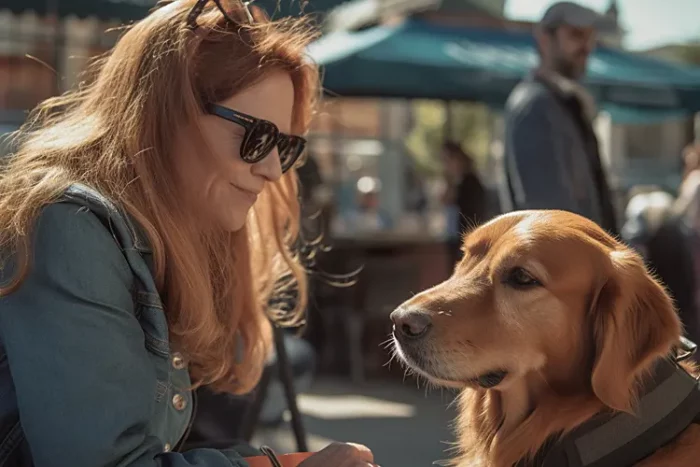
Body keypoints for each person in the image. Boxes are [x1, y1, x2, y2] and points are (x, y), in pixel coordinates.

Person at [0, 1, 374, 466]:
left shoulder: (190, 236)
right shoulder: (70, 226)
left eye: (285, 145)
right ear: (166, 114)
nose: (273, 170)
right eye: (256, 135)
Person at [502, 1, 618, 235]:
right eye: (575, 35)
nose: (586, 47)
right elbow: (550, 224)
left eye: (590, 37)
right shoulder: (536, 105)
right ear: (545, 40)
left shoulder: (562, 103)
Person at [441, 141, 486, 268]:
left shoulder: (470, 183)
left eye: (449, 160)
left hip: (465, 238)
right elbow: (444, 200)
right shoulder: (456, 181)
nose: (447, 165)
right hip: (454, 237)